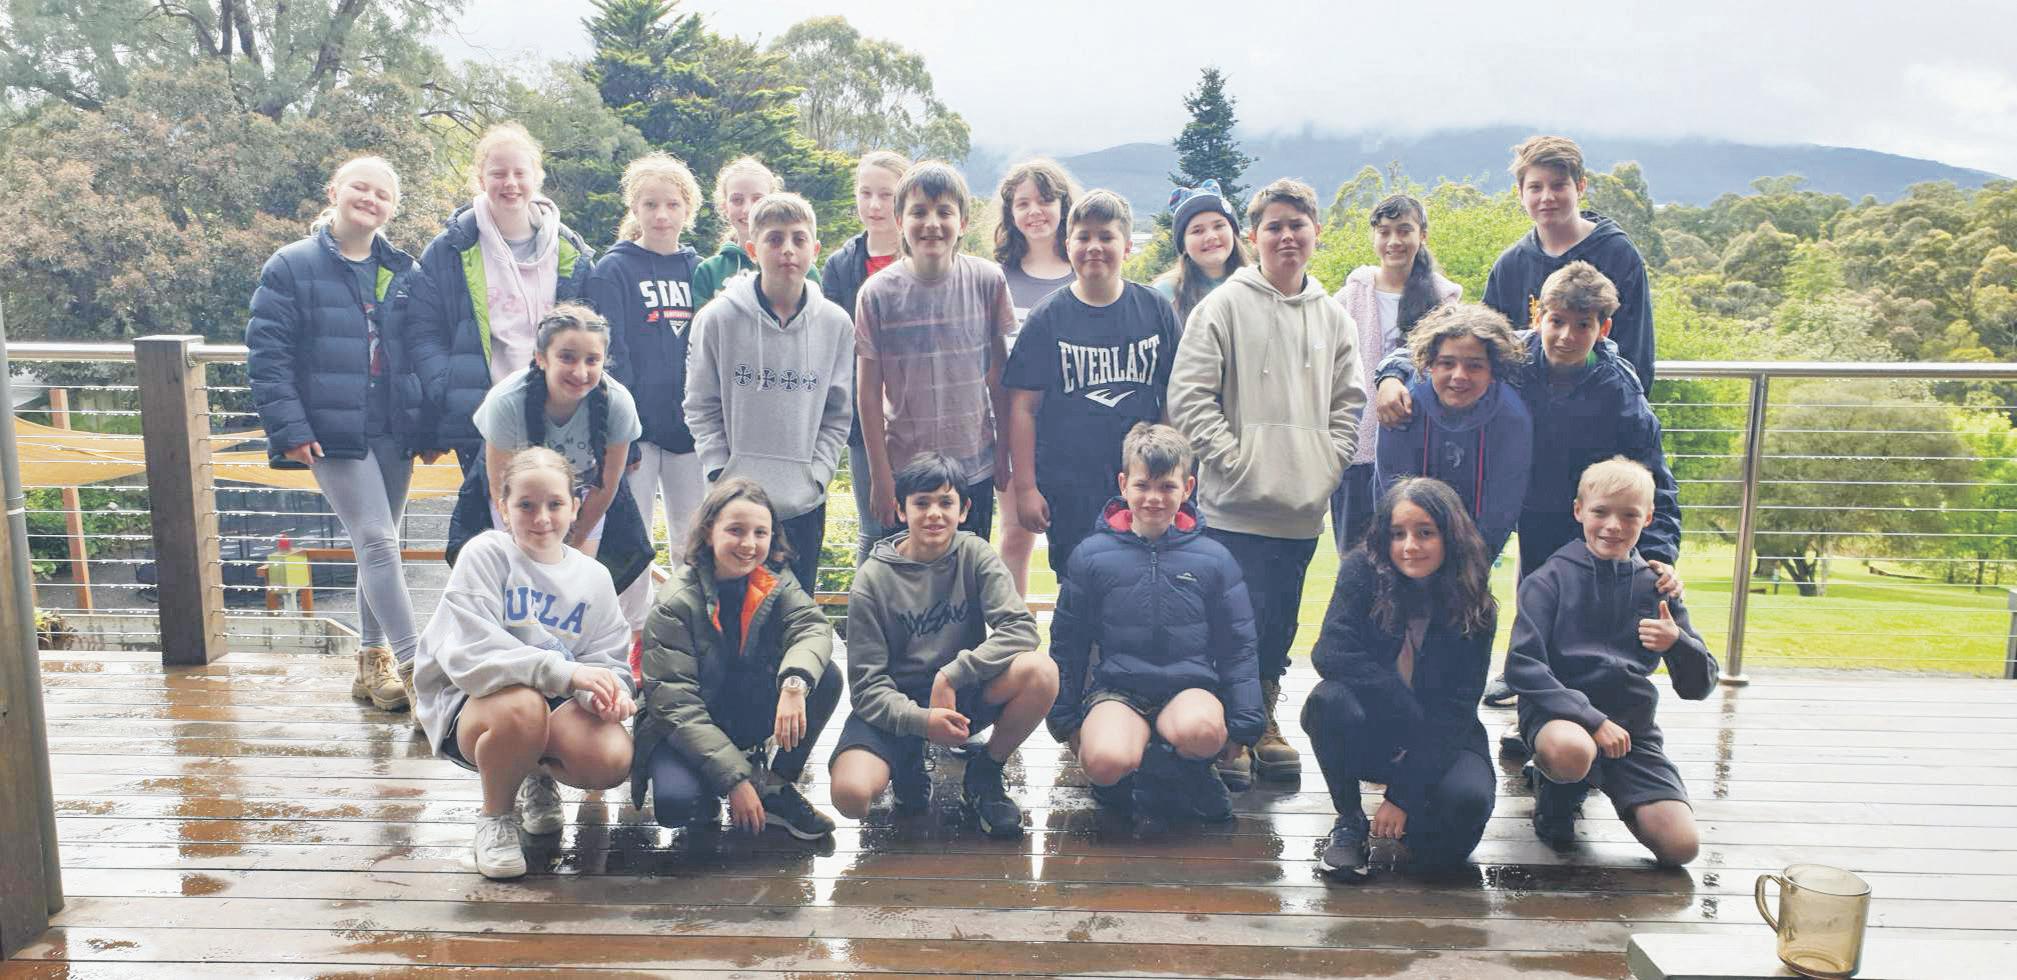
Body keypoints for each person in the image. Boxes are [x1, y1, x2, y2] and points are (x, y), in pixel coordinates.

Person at [1374, 261, 1681, 710]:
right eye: (1557, 321)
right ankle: (1521, 675)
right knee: (1523, 594)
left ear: (1604, 328)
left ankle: (1560, 704)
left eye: (1583, 325)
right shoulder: (1512, 354)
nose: (1566, 336)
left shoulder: (1618, 389)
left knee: (1570, 602)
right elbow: (1435, 348)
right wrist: (1389, 376)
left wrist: (1659, 551)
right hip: (1513, 489)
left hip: (1576, 506)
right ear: (1538, 317)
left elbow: (1652, 473)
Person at [1168, 177, 1365, 786]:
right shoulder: (1222, 307)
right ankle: (1229, 730)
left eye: (1296, 225)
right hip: (1232, 507)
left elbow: (1349, 404)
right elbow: (1189, 398)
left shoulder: (1334, 317)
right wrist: (1236, 463)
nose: (1286, 236)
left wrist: (1326, 465)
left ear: (1316, 232)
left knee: (1279, 622)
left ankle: (1263, 721)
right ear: (1252, 238)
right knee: (1228, 621)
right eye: (1273, 226)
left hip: (1301, 509)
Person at [247, 155, 438, 712]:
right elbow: (268, 355)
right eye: (361, 187)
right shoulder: (291, 265)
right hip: (331, 430)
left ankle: (370, 664)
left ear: (392, 208)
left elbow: (420, 351)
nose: (370, 199)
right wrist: (289, 428)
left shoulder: (405, 271)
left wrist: (428, 426)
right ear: (334, 191)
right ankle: (416, 669)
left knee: (375, 545)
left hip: (393, 428)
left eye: (383, 193)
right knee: (378, 541)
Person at [413, 447, 635, 880]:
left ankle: (533, 775)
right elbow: (471, 656)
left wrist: (606, 695)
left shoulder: (595, 578)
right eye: (526, 505)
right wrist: (567, 673)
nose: (542, 518)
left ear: (575, 507)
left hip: (553, 703)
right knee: (523, 705)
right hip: (474, 702)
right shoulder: (485, 554)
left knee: (611, 756)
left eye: (555, 504)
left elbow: (609, 661)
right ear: (503, 507)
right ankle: (495, 818)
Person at [827, 452, 1056, 838]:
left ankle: (985, 775)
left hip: (959, 694)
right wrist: (920, 721)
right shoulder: (872, 579)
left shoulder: (973, 553)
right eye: (921, 503)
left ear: (963, 510)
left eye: (945, 502)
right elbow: (866, 689)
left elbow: (1020, 628)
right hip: (897, 701)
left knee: (1041, 671)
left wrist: (953, 674)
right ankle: (907, 763)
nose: (934, 513)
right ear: (901, 510)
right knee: (851, 796)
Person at [1046, 423, 1260, 828]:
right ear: (1123, 485)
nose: (1154, 498)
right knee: (1104, 760)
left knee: (1202, 732)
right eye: (1143, 485)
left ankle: (1190, 771)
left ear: (1188, 488)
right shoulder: (1091, 556)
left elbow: (1239, 644)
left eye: (1167, 486)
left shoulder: (1214, 558)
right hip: (1119, 690)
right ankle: (1127, 778)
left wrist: (1244, 723)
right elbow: (1068, 642)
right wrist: (1066, 718)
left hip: (1189, 689)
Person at [1506, 457, 1716, 867]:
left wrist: (1677, 643)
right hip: (1560, 718)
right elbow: (1522, 665)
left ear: (1648, 518)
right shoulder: (1547, 580)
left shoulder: (1658, 587)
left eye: (1629, 515)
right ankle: (1556, 790)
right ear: (1579, 511)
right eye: (1600, 512)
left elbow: (1701, 685)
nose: (1613, 526)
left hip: (1631, 729)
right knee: (1571, 751)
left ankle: (1606, 782)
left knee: (1681, 847)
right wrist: (1593, 720)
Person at [1301, 478, 1498, 883]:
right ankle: (1350, 820)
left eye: (1425, 533)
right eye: (1397, 534)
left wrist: (1402, 797)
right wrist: (1399, 703)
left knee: (1452, 836)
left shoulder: (1473, 601)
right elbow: (1330, 651)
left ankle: (1414, 816)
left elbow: (1457, 710)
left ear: (1450, 536)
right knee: (1327, 702)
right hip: (1376, 727)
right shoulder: (1362, 570)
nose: (1410, 546)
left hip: (1443, 734)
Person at [631, 479, 842, 840]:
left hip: (739, 707)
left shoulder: (775, 578)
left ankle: (775, 787)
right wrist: (735, 781)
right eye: (735, 530)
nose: (748, 544)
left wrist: (794, 684)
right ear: (708, 532)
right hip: (681, 724)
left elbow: (811, 627)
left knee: (826, 676)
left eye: (760, 533)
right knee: (678, 805)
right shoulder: (675, 602)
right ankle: (722, 781)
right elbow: (676, 706)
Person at [1005, 189, 1180, 578]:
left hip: (1141, 487)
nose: (1094, 246)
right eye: (1083, 237)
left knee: (1143, 584)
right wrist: (1026, 488)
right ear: (1068, 245)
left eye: (1106, 236)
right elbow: (1023, 408)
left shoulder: (1155, 310)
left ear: (1127, 246)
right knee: (1078, 586)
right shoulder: (1047, 317)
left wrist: (1171, 474)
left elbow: (1173, 400)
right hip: (1068, 487)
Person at [685, 192, 854, 594]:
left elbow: (837, 413)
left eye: (798, 239)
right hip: (734, 503)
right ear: (752, 249)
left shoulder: (836, 324)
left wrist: (818, 477)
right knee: (729, 611)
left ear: (815, 249)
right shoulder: (717, 319)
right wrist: (720, 472)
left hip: (803, 503)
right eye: (775, 239)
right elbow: (700, 405)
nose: (787, 250)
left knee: (796, 611)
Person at [408, 122, 595, 472]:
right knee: (490, 505)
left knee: (554, 505)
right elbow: (423, 330)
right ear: (481, 180)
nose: (510, 183)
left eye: (520, 173)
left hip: (556, 411)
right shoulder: (450, 248)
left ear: (536, 177)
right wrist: (447, 387)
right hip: (481, 414)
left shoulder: (571, 251)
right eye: (498, 173)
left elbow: (593, 333)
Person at [853, 161, 1017, 559]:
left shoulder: (987, 281)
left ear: (962, 222)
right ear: (899, 221)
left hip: (973, 468)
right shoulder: (877, 294)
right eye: (919, 212)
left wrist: (1004, 452)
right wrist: (880, 476)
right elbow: (868, 393)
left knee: (968, 577)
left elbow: (1000, 375)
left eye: (944, 212)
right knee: (906, 581)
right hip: (906, 471)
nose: (932, 223)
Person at [446, 305, 653, 607]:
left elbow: (607, 486)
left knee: (573, 594)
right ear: (541, 358)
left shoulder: (618, 404)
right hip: (516, 500)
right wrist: (526, 547)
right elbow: (499, 487)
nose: (580, 372)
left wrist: (571, 543)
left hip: (584, 497)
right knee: (517, 591)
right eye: (567, 357)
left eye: (592, 360)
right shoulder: (506, 401)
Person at [591, 152, 705, 626]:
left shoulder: (700, 270)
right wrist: (623, 430)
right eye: (650, 204)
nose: (661, 215)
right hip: (634, 432)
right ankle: (630, 636)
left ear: (688, 210)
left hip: (690, 431)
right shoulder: (613, 269)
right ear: (634, 208)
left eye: (672, 205)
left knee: (692, 541)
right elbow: (610, 353)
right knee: (632, 542)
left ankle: (689, 630)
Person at [1331, 194, 1461, 553]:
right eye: (1384, 231)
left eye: (1404, 230)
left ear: (1423, 235)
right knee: (1356, 559)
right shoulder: (1350, 297)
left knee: (1416, 555)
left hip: (1419, 449)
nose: (1394, 241)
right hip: (1357, 450)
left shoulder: (1444, 302)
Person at [1483, 135, 1656, 392]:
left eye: (1558, 185)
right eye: (1535, 187)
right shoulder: (1510, 266)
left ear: (1580, 187)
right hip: (1525, 409)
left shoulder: (1617, 254)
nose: (1547, 197)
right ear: (1520, 193)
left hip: (1602, 406)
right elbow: (1489, 347)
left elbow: (1636, 351)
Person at [1372, 304, 1532, 561]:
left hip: (1473, 547)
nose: (1459, 376)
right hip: (1409, 545)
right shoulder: (1402, 404)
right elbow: (1392, 494)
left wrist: (1475, 566)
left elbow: (1501, 507)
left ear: (1493, 370)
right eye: (1447, 363)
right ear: (1430, 364)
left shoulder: (1512, 417)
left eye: (1474, 366)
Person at [991, 159, 1081, 597]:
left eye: (1045, 200)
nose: (1035, 212)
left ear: (1064, 205)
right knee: (1014, 535)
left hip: (1072, 430)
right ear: (1010, 213)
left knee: (1080, 537)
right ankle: (1011, 633)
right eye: (1022, 203)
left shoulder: (1085, 270)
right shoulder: (996, 278)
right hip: (1012, 427)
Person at [822, 151, 912, 574]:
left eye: (886, 195)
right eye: (865, 194)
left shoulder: (925, 256)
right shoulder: (841, 266)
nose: (874, 206)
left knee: (923, 524)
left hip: (920, 412)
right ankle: (867, 612)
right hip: (864, 417)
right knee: (875, 527)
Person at [690, 155, 819, 309]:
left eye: (757, 199)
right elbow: (705, 323)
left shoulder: (801, 266)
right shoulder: (709, 271)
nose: (747, 209)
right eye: (737, 200)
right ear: (724, 207)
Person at [1154, 179, 1248, 329]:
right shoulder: (1165, 295)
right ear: (1183, 244)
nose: (1211, 236)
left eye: (1219, 226)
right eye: (1197, 231)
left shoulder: (1259, 284)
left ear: (1233, 232)